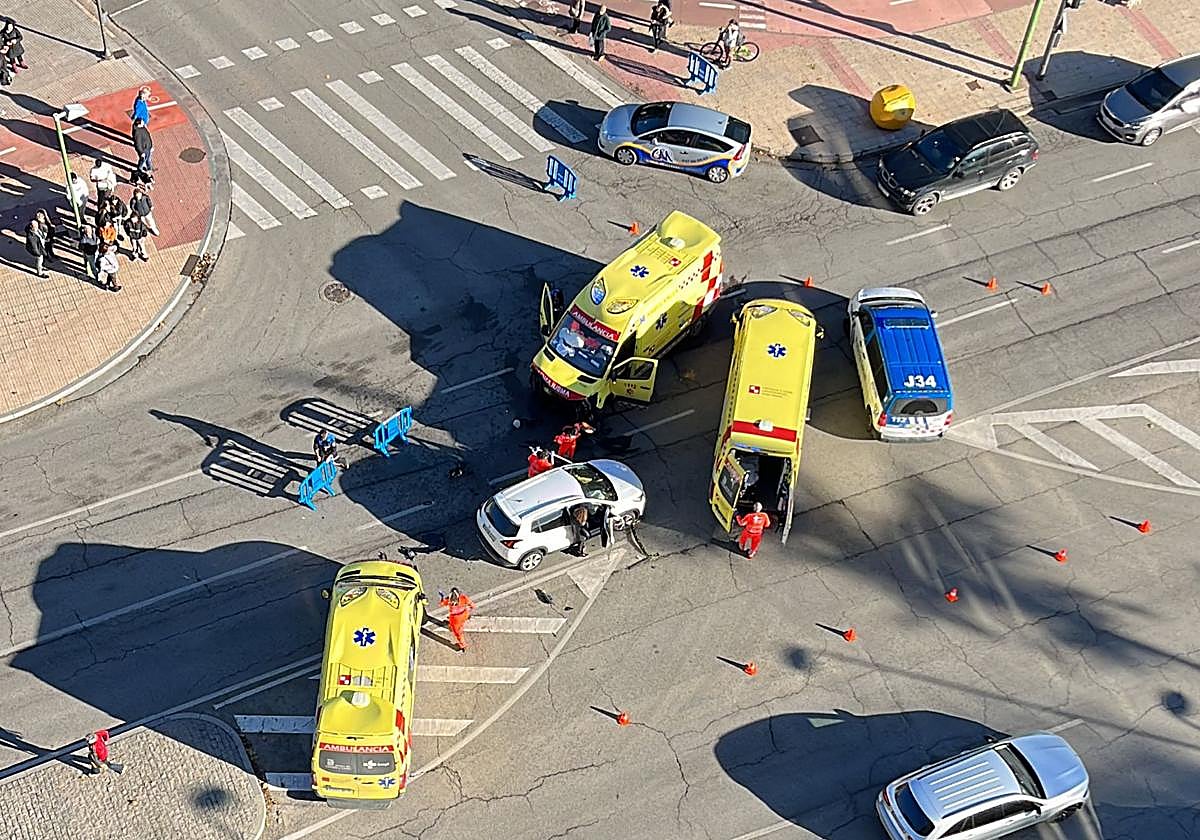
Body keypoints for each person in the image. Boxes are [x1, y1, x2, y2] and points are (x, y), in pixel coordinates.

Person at [439, 587, 475, 652]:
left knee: (458, 633)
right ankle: (462, 642)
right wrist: (468, 608)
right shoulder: (463, 598)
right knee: (461, 624)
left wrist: (442, 597)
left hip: (455, 619)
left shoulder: (449, 600)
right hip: (464, 615)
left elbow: (442, 604)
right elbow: (472, 605)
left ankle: (463, 645)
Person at [131, 118, 153, 184]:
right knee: (143, 159)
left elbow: (148, 136)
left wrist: (150, 146)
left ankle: (149, 168)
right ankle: (140, 169)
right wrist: (141, 152)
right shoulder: (137, 133)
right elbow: (138, 144)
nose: (143, 122)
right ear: (139, 124)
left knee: (148, 158)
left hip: (147, 147)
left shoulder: (142, 128)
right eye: (142, 122)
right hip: (144, 150)